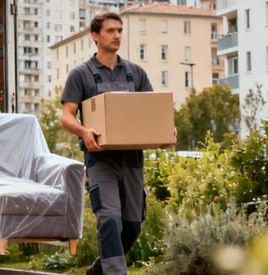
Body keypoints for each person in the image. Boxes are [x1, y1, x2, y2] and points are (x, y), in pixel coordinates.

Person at [59, 12, 173, 275]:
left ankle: (98, 270)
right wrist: (84, 132)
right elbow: (67, 116)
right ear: (95, 36)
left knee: (132, 225)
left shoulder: (136, 73)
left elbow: (152, 112)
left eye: (119, 30)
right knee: (109, 218)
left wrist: (166, 133)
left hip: (132, 159)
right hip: (100, 159)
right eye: (110, 31)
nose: (117, 35)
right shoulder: (81, 74)